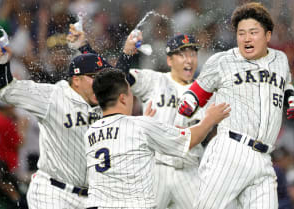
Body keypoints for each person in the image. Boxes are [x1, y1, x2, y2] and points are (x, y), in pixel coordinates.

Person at [0, 33, 137, 208]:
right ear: (76, 80)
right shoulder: (52, 96)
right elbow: (6, 90)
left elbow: (120, 78)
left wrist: (127, 54)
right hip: (53, 192)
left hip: (92, 196)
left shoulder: (106, 98)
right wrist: (3, 63)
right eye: (94, 77)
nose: (101, 82)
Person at [177, 2, 294, 209]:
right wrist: (189, 103)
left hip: (264, 158)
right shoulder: (223, 61)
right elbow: (198, 91)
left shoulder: (280, 59)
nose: (246, 38)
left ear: (268, 36)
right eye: (241, 33)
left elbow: (286, 84)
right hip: (230, 151)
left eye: (253, 32)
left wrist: (291, 97)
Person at [75, 31, 210, 208]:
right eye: (182, 54)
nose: (189, 60)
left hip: (188, 169)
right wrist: (90, 49)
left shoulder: (206, 89)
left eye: (193, 54)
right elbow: (114, 79)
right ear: (169, 60)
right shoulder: (154, 80)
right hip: (157, 168)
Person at [84, 68, 230, 209]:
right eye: (129, 93)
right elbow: (190, 139)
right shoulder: (140, 126)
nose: (132, 97)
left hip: (97, 204)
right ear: (122, 98)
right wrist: (209, 120)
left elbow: (121, 141)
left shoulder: (90, 133)